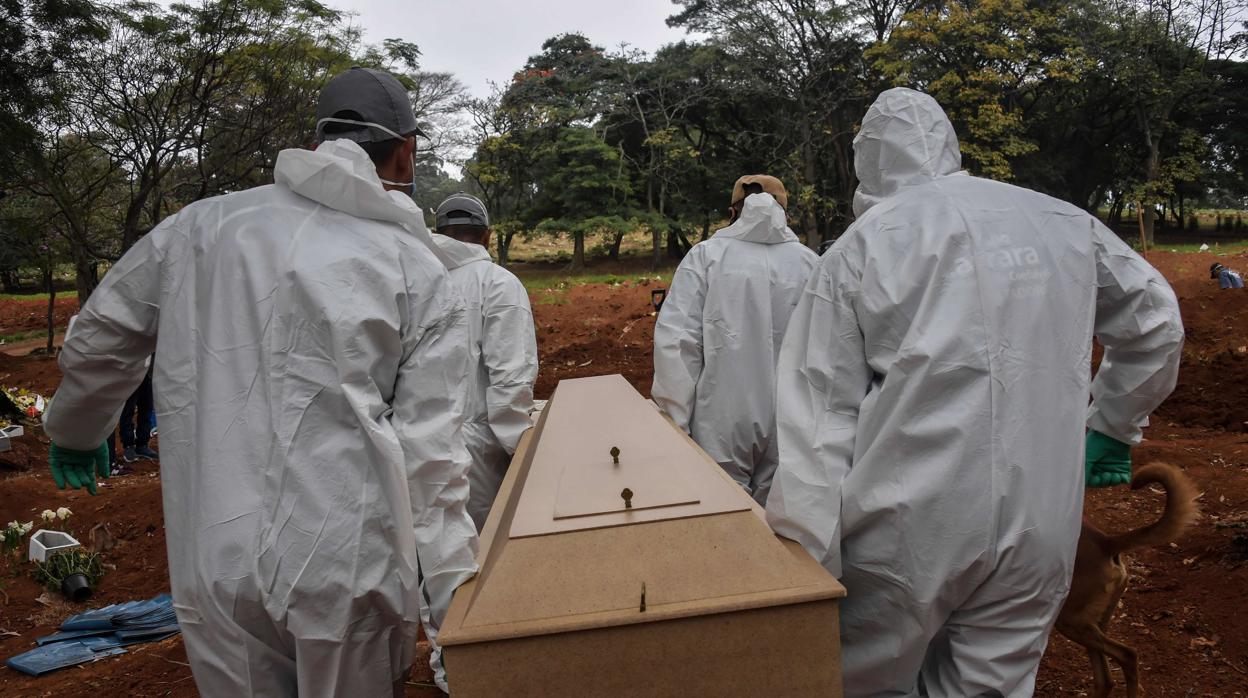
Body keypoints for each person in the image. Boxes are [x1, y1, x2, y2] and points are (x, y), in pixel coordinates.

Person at [42, 67, 478, 697]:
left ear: (315, 142)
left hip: (217, 558)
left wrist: (78, 428)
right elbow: (431, 453)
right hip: (347, 562)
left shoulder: (199, 229)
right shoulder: (414, 265)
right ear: (406, 151)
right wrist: (453, 595)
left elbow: (104, 330)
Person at [766, 88, 1184, 697]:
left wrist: (807, 551)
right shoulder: (1061, 221)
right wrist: (1113, 422)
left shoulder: (865, 243)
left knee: (866, 681)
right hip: (1042, 518)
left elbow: (818, 413)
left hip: (907, 526)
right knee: (993, 682)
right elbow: (1156, 321)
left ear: (870, 161)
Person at [653, 175, 818, 505]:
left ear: (733, 212)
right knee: (788, 533)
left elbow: (677, 343)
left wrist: (675, 427)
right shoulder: (811, 264)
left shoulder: (706, 257)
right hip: (795, 420)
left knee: (728, 523)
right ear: (785, 212)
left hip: (721, 420)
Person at [431, 192, 538, 530]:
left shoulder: (418, 282)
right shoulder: (499, 285)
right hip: (479, 454)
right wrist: (522, 453)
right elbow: (510, 380)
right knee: (481, 556)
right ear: (488, 235)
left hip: (419, 446)